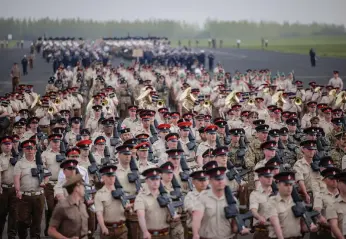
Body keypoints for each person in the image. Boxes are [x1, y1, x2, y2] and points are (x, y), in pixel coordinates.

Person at [192, 166, 250, 239]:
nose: (220, 182)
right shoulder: (202, 198)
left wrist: (241, 228)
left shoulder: (232, 199)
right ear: (210, 181)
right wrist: (195, 234)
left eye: (222, 178)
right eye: (217, 179)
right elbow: (196, 219)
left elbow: (234, 225)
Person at [14, 139, 50, 239]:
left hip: (38, 195)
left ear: (35, 150)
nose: (30, 150)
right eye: (27, 148)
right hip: (24, 196)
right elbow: (16, 179)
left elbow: (47, 175)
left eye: (32, 148)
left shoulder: (40, 162)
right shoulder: (19, 164)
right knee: (22, 221)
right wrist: (18, 190)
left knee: (37, 221)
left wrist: (45, 182)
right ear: (24, 150)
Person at [266, 172, 318, 238]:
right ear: (278, 185)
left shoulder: (297, 203)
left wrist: (311, 225)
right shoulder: (272, 201)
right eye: (286, 185)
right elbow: (275, 224)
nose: (289, 188)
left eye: (291, 185)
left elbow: (302, 228)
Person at [48, 174, 89, 239]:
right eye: (83, 186)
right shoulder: (62, 206)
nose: (84, 188)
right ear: (76, 188)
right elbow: (51, 230)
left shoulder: (82, 205)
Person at [134, 167, 171, 239]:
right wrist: (145, 231)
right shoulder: (141, 197)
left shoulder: (166, 195)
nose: (155, 182)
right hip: (150, 235)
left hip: (165, 235)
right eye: (152, 179)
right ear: (147, 181)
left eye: (157, 179)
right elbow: (140, 216)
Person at [95, 164, 129, 239]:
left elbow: (127, 207)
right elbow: (99, 214)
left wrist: (129, 208)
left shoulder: (121, 191)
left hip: (122, 228)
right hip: (108, 229)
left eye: (113, 176)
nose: (111, 178)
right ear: (103, 177)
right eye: (108, 176)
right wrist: (103, 227)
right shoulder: (99, 194)